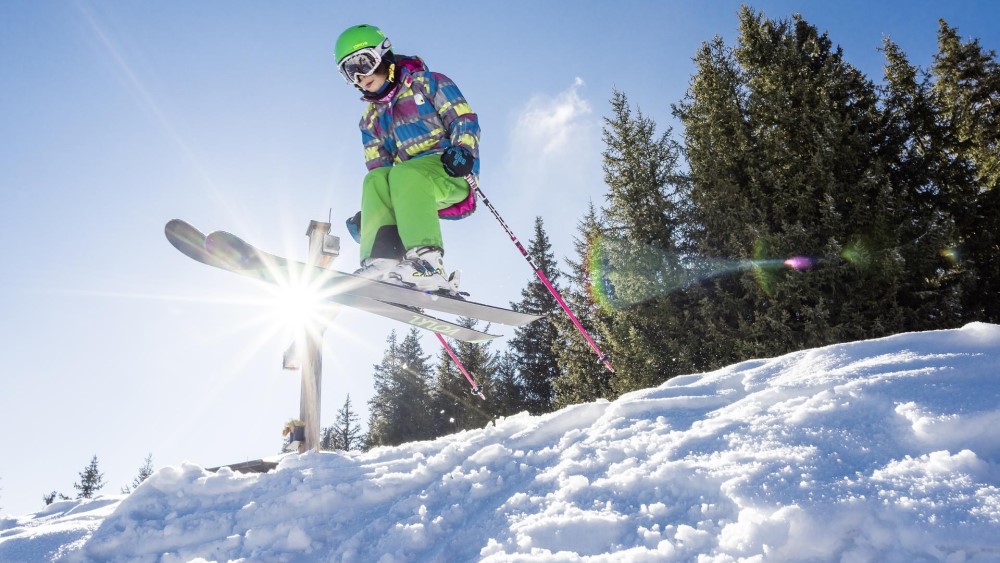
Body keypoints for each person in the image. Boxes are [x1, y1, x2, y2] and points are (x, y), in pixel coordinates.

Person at [335, 24, 480, 293]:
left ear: (383, 54)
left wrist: (463, 149)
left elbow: (463, 118)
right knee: (375, 179)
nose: (359, 76)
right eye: (349, 71)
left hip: (450, 169)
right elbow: (380, 169)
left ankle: (428, 264)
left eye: (362, 63)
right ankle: (382, 261)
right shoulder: (370, 120)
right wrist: (372, 217)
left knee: (405, 173)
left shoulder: (429, 83)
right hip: (410, 190)